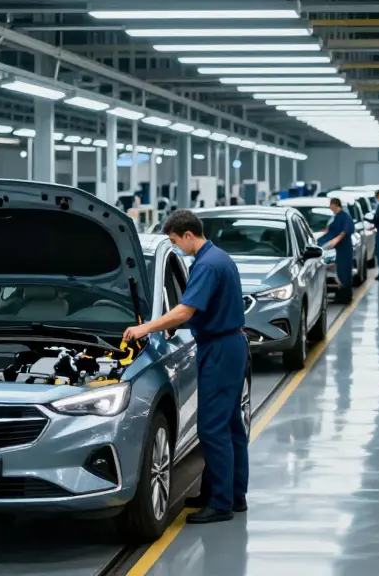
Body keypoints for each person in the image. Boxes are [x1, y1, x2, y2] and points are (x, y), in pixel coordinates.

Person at [123, 210, 248, 525]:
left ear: (188, 234)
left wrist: (145, 328)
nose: (175, 246)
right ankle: (232, 494)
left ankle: (221, 504)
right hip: (230, 344)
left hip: (219, 348)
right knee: (231, 425)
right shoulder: (218, 258)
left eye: (175, 241)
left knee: (212, 428)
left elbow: (184, 310)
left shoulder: (206, 265)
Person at [319, 198, 355, 303]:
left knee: (344, 273)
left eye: (331, 206)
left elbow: (346, 229)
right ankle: (341, 296)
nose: (331, 208)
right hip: (338, 250)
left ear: (335, 205)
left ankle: (344, 297)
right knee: (340, 272)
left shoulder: (344, 217)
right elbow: (330, 230)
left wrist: (337, 239)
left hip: (344, 249)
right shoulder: (336, 217)